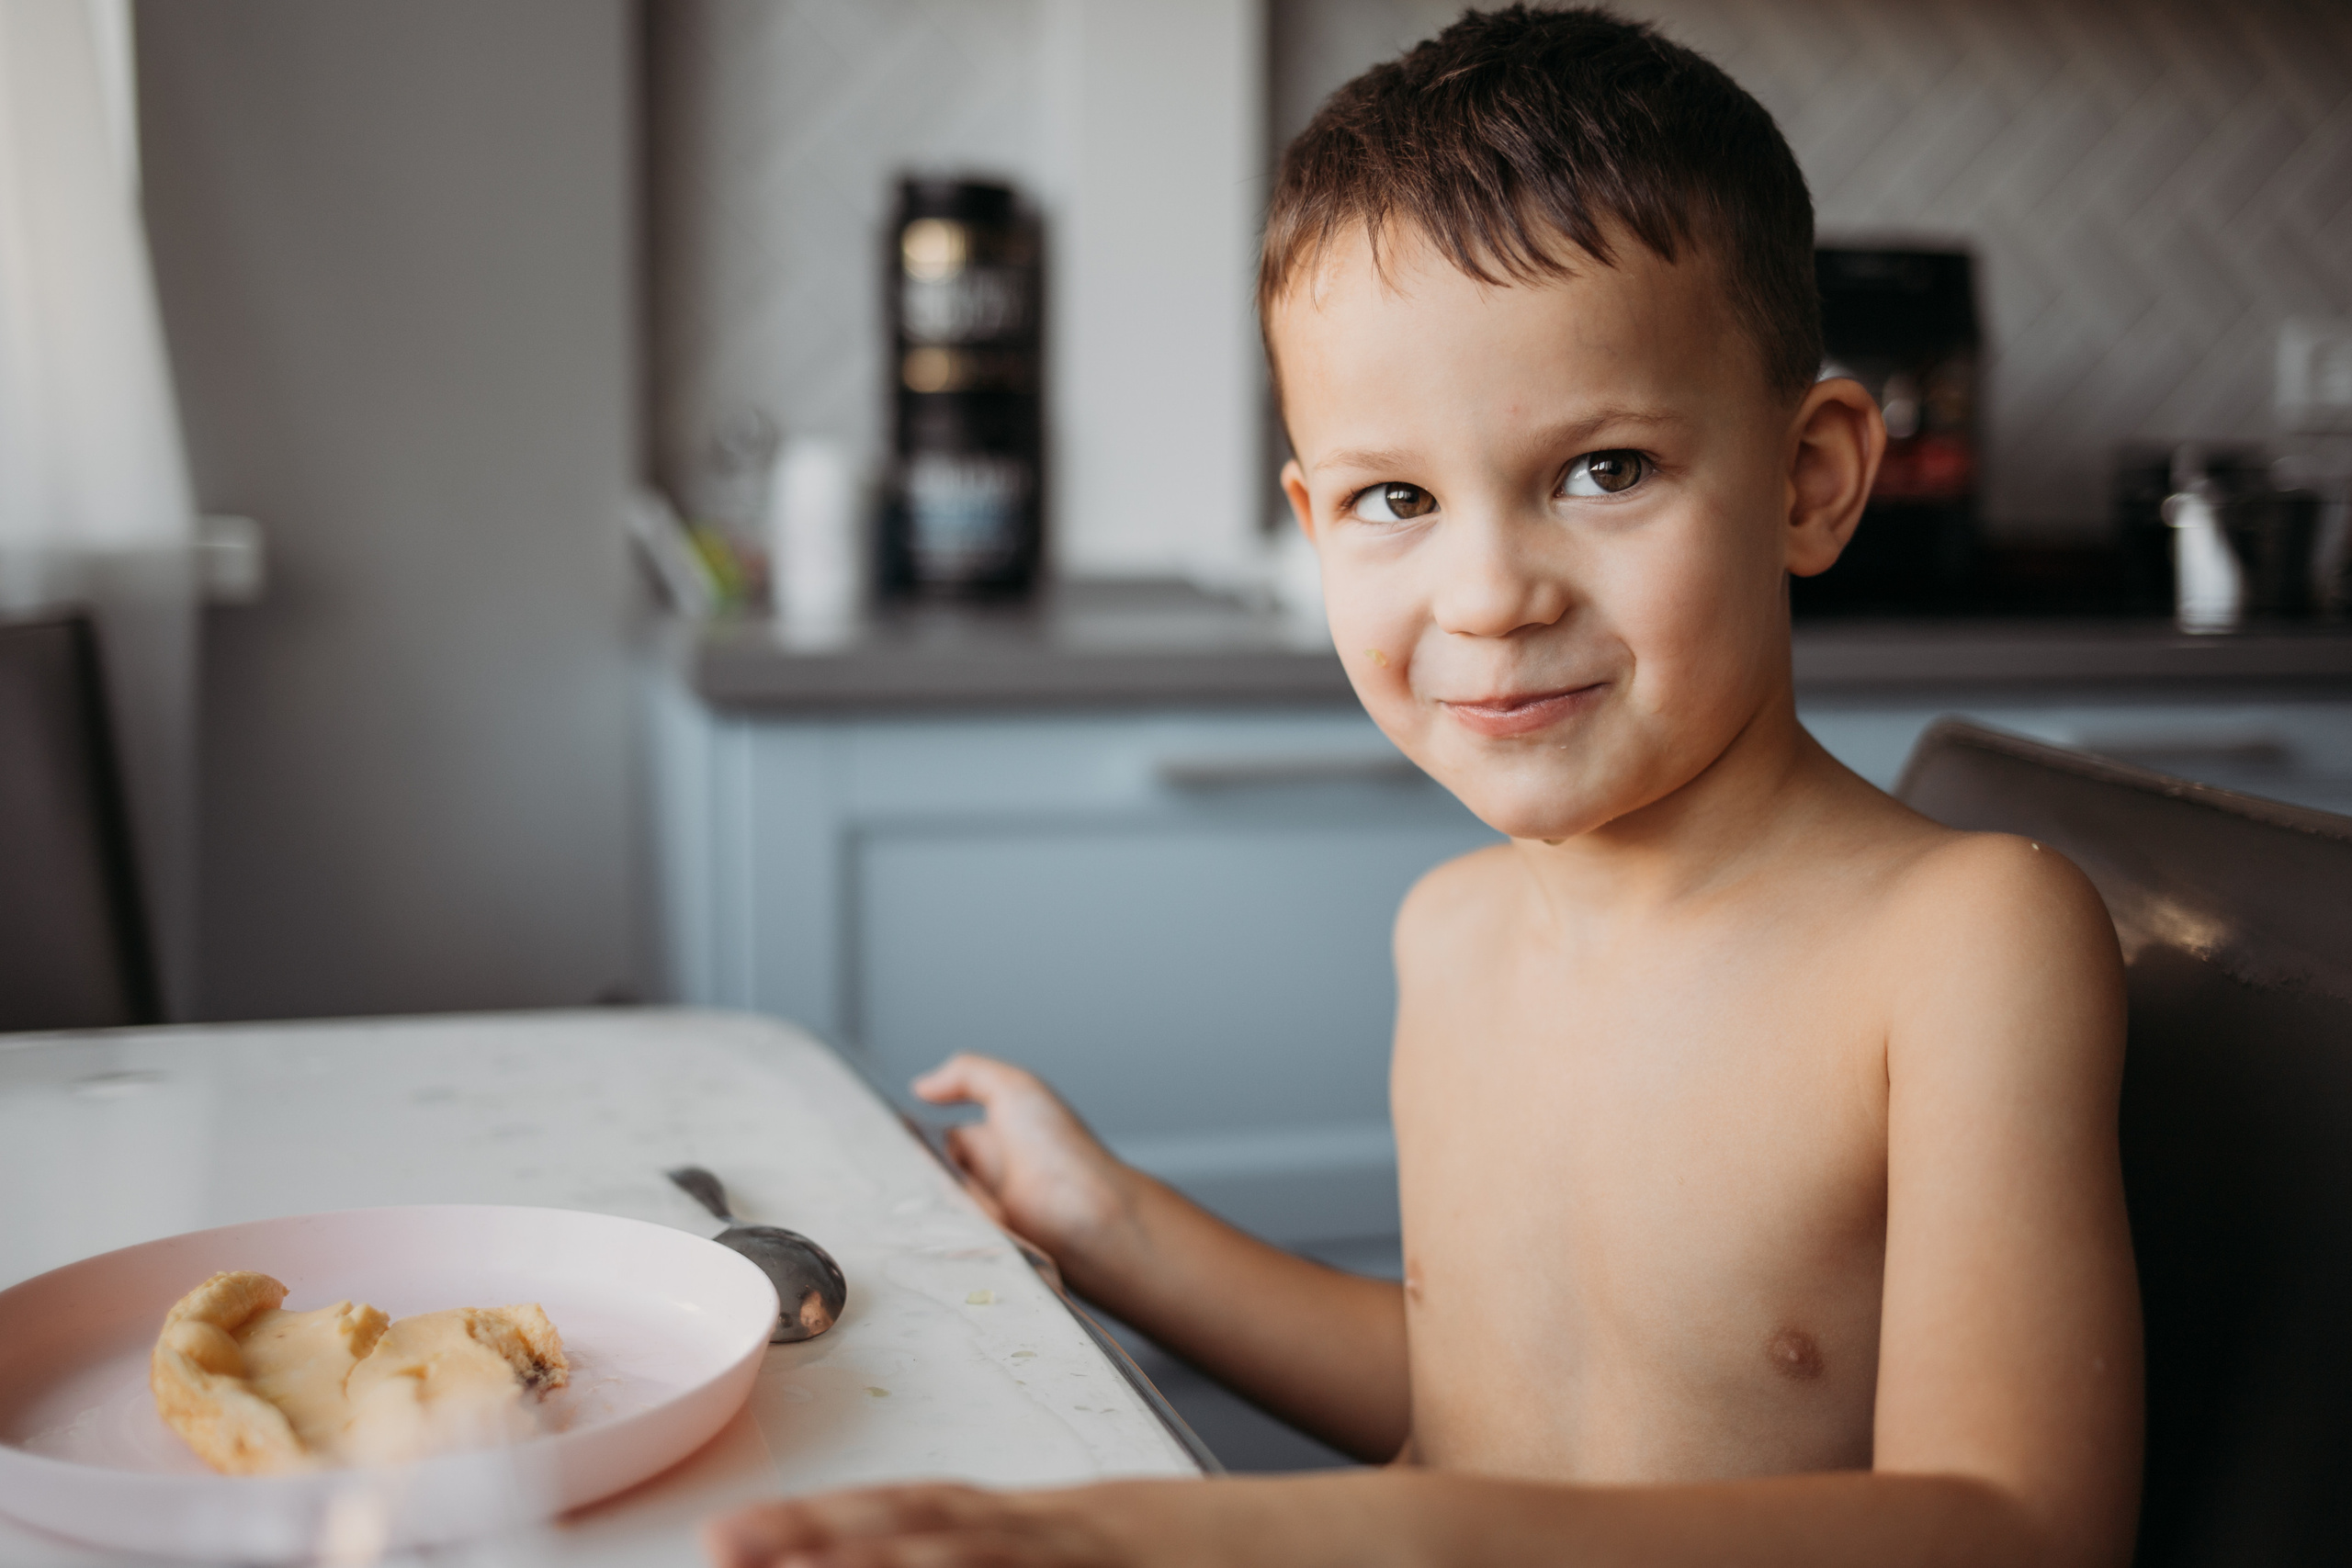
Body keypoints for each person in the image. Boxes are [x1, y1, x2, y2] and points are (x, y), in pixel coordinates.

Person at [704, 7, 2142, 1564]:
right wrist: (1109, 1228)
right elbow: (1494, 1415)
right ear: (1314, 529)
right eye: (1397, 499)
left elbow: (2021, 1527)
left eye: (1604, 471)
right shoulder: (1447, 937)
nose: (1488, 595)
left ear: (1810, 480)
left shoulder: (1963, 946)